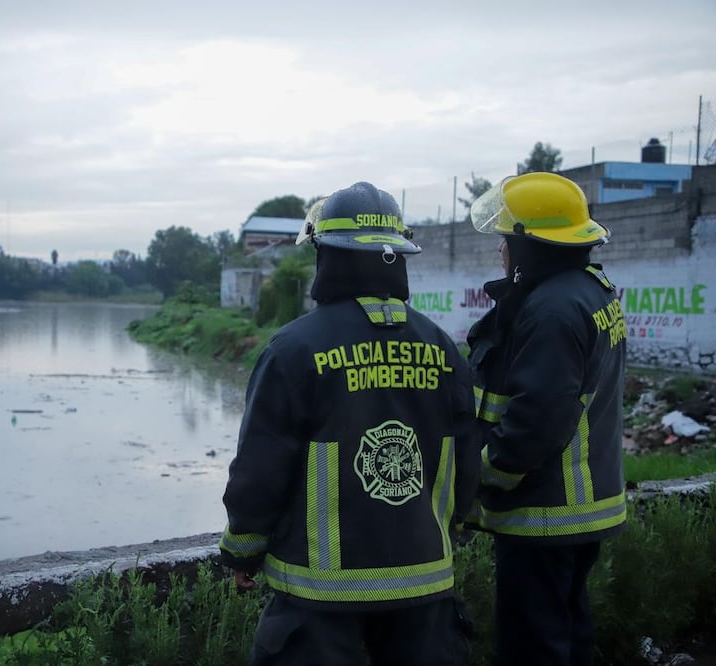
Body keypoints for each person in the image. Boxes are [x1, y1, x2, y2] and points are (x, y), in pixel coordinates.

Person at [219, 181, 480, 666]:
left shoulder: (293, 350)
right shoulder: (444, 349)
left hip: (318, 598)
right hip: (424, 587)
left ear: (326, 255)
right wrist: (454, 527)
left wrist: (241, 552)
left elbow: (260, 467)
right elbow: (466, 461)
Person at [465, 171, 628, 665]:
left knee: (534, 646)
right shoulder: (588, 291)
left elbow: (538, 418)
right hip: (581, 507)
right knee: (569, 632)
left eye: (507, 240)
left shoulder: (552, 309)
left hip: (545, 512)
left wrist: (486, 473)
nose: (501, 250)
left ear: (532, 245)